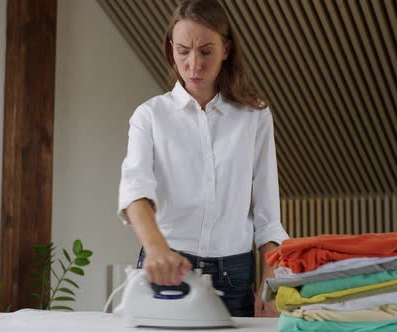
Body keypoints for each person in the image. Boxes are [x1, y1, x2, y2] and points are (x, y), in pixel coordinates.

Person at [117, 0, 289, 317]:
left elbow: (268, 214)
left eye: (206, 51)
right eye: (183, 51)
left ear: (226, 50)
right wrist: (156, 249)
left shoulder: (255, 116)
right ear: (171, 50)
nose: (194, 64)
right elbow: (135, 191)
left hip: (236, 275)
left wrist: (273, 278)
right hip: (166, 266)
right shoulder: (150, 116)